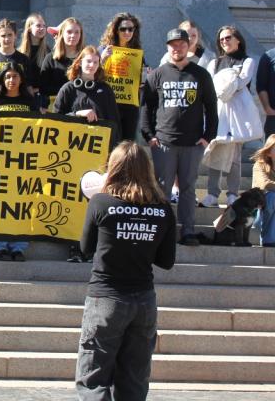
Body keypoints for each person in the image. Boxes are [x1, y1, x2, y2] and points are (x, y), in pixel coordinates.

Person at [76, 141, 176, 400]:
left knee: (94, 379)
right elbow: (166, 261)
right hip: (143, 300)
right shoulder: (163, 208)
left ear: (113, 168)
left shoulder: (100, 203)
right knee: (134, 380)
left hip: (105, 298)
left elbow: (85, 247)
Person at [141, 28, 218, 247]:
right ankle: (162, 231)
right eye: (173, 44)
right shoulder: (157, 74)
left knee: (188, 189)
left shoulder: (200, 75)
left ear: (189, 46)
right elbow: (147, 108)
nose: (177, 48)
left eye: (182, 44)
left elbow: (212, 108)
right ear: (168, 47)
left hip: (193, 144)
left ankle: (188, 231)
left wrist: (207, 137)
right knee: (162, 189)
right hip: (163, 142)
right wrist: (149, 136)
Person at [54, 45, 121, 263]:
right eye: (87, 61)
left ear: (99, 65)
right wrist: (77, 114)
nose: (91, 65)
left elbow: (114, 124)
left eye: (94, 62)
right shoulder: (67, 89)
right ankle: (74, 247)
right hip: (71, 156)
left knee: (94, 201)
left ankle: (91, 248)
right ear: (79, 63)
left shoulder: (105, 90)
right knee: (73, 201)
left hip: (97, 158)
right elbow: (55, 121)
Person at [201, 26, 257, 208]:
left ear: (238, 39)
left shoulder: (247, 61)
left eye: (228, 38)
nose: (224, 41)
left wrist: (226, 84)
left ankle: (233, 193)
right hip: (218, 112)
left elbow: (242, 82)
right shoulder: (214, 63)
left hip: (238, 114)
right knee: (215, 150)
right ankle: (212, 194)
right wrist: (230, 79)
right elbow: (210, 86)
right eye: (221, 39)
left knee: (234, 156)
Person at [0, 63, 36, 261]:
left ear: (21, 79)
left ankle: (18, 247)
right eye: (7, 77)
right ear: (2, 79)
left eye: (15, 76)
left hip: (23, 161)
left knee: (23, 203)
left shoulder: (30, 102)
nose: (11, 80)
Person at [100, 12, 148, 142]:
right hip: (108, 103)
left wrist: (146, 77)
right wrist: (102, 59)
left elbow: (141, 82)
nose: (127, 32)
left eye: (130, 29)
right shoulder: (104, 49)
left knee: (127, 144)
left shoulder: (137, 53)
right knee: (108, 143)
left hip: (130, 106)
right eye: (123, 29)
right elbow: (95, 75)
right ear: (116, 30)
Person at [0, 18, 38, 111]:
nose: (7, 39)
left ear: (15, 35)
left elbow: (28, 85)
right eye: (3, 35)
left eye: (10, 35)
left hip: (20, 107)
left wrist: (33, 108)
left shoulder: (23, 59)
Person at [41, 17, 84, 110]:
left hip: (81, 107)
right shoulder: (50, 58)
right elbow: (43, 88)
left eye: (77, 32)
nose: (73, 35)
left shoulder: (86, 57)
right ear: (62, 34)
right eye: (69, 32)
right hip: (56, 108)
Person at [251, 134, 275, 247]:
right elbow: (265, 184)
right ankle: (268, 239)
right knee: (271, 197)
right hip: (261, 210)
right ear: (268, 152)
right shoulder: (259, 165)